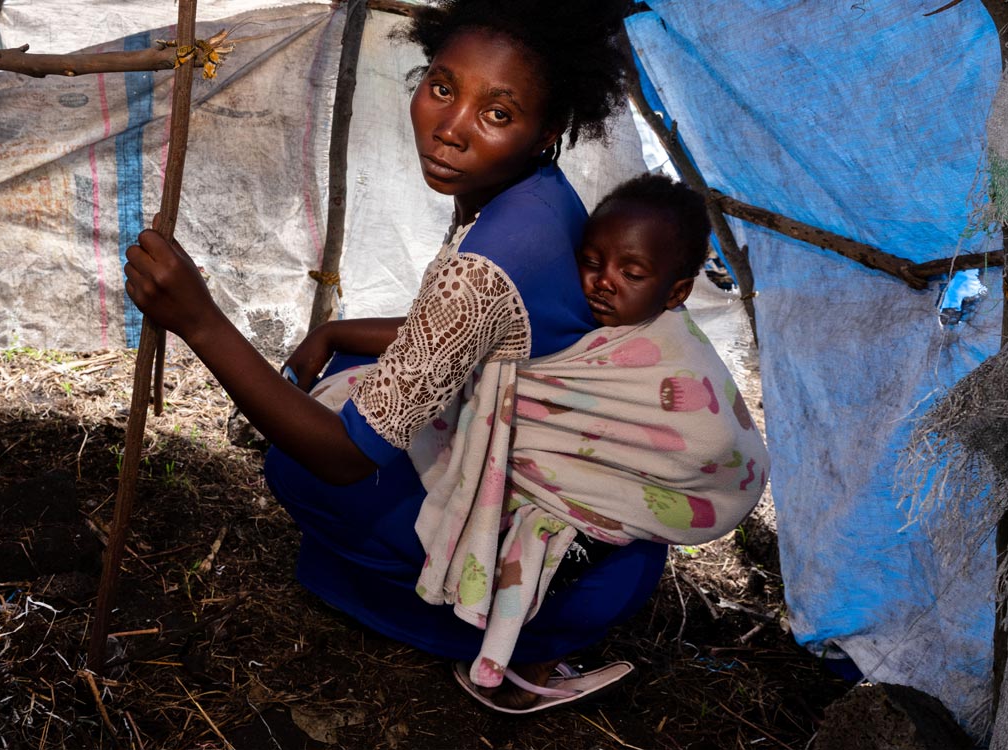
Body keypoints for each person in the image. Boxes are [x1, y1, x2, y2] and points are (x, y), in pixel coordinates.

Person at [124, 0, 765, 713]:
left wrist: (200, 321)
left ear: (547, 130)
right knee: (345, 375)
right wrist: (336, 332)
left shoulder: (493, 256)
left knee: (300, 468)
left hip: (576, 542)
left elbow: (345, 456)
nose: (452, 128)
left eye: (497, 114)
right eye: (442, 87)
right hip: (582, 485)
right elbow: (469, 331)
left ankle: (484, 629)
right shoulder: (539, 193)